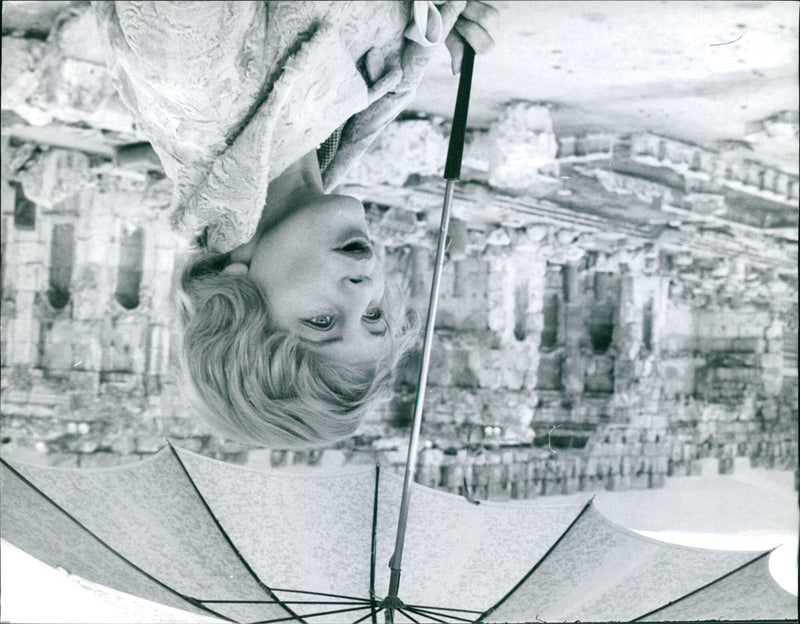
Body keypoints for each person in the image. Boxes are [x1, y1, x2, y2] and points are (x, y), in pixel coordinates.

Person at [94, 1, 497, 448]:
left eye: (322, 321)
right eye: (374, 316)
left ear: (234, 294)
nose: (365, 287)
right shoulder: (330, 139)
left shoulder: (192, 77)